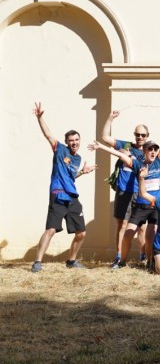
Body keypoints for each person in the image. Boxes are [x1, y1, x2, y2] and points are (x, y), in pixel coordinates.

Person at [89, 129, 160, 269]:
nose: (153, 152)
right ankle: (121, 261)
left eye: (154, 150)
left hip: (155, 206)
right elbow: (119, 154)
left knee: (149, 235)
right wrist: (101, 147)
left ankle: (150, 262)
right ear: (144, 152)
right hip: (140, 206)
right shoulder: (137, 165)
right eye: (150, 149)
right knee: (128, 234)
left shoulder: (159, 162)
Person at [31, 102, 97, 272]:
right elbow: (48, 135)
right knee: (51, 229)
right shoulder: (60, 149)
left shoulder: (77, 158)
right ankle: (37, 262)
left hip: (72, 197)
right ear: (67, 142)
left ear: (79, 140)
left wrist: (83, 172)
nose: (74, 142)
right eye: (71, 140)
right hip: (58, 194)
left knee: (81, 233)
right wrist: (40, 118)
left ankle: (71, 261)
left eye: (76, 140)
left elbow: (70, 177)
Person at [100, 110, 149, 267]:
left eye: (143, 135)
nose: (140, 137)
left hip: (140, 192)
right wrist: (110, 118)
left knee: (142, 227)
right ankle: (119, 256)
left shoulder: (149, 151)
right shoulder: (126, 145)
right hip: (124, 191)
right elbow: (105, 137)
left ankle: (144, 256)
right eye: (137, 134)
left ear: (147, 136)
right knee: (121, 225)